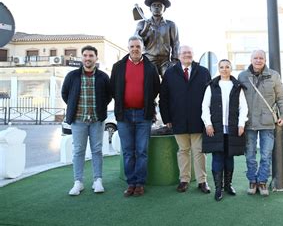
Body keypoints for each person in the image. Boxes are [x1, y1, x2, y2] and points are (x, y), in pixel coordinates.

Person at [110, 36, 160, 197]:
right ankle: (131, 182)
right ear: (128, 48)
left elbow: (156, 88)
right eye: (132, 46)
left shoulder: (151, 67)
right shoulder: (118, 67)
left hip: (143, 115)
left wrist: (145, 101)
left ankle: (140, 183)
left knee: (141, 151)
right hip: (123, 115)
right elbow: (112, 89)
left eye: (137, 46)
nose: (135, 49)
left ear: (142, 48)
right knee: (128, 151)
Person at [159, 45, 212, 194]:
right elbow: (164, 98)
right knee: (183, 151)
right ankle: (184, 180)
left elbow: (210, 97)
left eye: (189, 52)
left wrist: (208, 120)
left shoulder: (203, 72)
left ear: (193, 55)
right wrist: (166, 118)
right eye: (184, 53)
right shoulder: (170, 73)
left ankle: (202, 181)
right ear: (179, 55)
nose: (187, 55)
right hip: (178, 119)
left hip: (198, 119)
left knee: (199, 151)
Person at [238, 49, 283, 196]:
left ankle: (262, 181)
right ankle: (252, 181)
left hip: (268, 122)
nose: (258, 60)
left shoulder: (274, 75)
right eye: (255, 58)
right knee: (250, 155)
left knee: (266, 155)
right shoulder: (242, 76)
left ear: (265, 60)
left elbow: (281, 98)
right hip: (249, 122)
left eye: (261, 58)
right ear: (251, 59)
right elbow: (237, 101)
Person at [61, 45, 111, 196]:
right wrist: (74, 108)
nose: (88, 58)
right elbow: (65, 94)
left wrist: (100, 108)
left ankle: (98, 180)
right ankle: (78, 182)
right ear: (82, 57)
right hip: (78, 120)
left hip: (97, 120)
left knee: (97, 150)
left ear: (96, 58)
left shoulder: (103, 76)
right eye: (85, 55)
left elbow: (108, 96)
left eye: (91, 56)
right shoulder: (72, 76)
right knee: (78, 151)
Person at [201, 59, 248, 201]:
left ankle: (228, 185)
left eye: (227, 67)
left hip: (233, 128)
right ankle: (218, 189)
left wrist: (241, 124)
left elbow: (243, 107)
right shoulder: (212, 86)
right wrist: (208, 124)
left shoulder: (237, 86)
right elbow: (205, 106)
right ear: (218, 69)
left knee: (229, 157)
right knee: (217, 158)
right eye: (222, 67)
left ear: (231, 69)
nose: (224, 69)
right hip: (216, 128)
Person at [135, 0, 179, 77]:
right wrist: (145, 29)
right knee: (150, 82)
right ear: (150, 8)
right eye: (154, 5)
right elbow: (136, 42)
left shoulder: (170, 25)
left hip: (165, 61)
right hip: (149, 60)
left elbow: (175, 43)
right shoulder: (142, 24)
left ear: (164, 9)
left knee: (170, 79)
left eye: (159, 5)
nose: (156, 7)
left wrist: (175, 60)